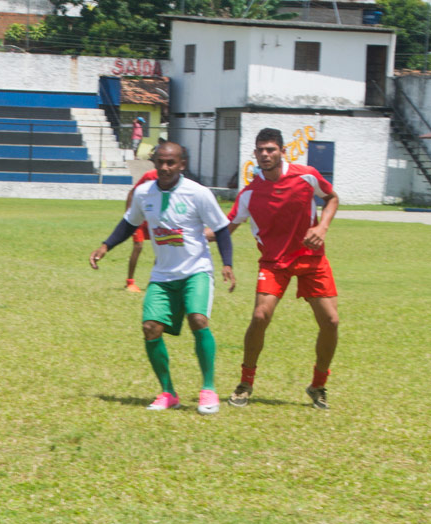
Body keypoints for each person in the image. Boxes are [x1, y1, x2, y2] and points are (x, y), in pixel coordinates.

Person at [89, 142, 236, 415]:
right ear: (154, 164)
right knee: (150, 328)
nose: (165, 167)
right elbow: (129, 223)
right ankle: (169, 392)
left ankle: (208, 389)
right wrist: (106, 246)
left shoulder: (198, 193)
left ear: (182, 164)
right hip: (163, 276)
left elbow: (222, 229)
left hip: (196, 271)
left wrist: (227, 263)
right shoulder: (145, 193)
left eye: (171, 162)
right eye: (161, 162)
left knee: (198, 319)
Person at [225, 128, 339, 410]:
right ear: (254, 154)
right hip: (275, 263)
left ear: (282, 151)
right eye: (260, 150)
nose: (265, 154)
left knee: (331, 322)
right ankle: (245, 383)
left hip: (311, 259)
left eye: (271, 149)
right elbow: (226, 227)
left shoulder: (306, 175)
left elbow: (332, 198)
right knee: (260, 315)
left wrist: (322, 227)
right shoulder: (250, 193)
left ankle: (318, 385)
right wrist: (197, 233)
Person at [123, 168, 157, 293]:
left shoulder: (172, 180)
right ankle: (130, 282)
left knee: (161, 249)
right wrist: (128, 213)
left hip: (155, 220)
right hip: (140, 218)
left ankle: (154, 282)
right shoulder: (149, 175)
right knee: (138, 246)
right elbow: (132, 192)